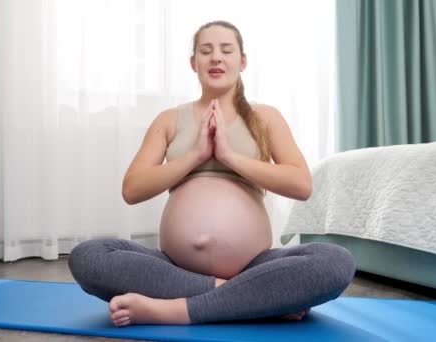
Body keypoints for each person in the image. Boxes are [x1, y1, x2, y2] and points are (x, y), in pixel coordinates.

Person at [68, 20, 355, 327]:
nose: (216, 57)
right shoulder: (169, 120)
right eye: (206, 51)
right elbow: (132, 189)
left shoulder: (265, 117)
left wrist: (231, 157)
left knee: (335, 263)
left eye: (226, 50)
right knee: (89, 256)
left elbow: (301, 185)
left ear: (242, 61)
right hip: (175, 267)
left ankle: (172, 311)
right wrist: (196, 156)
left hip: (254, 266)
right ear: (194, 63)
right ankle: (251, 299)